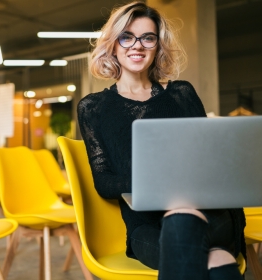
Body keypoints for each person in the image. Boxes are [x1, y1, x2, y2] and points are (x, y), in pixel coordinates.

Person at [77, 1, 246, 280]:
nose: (137, 45)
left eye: (148, 37)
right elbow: (104, 182)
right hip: (146, 227)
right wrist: (161, 182)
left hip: (208, 213)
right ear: (113, 44)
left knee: (189, 235)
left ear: (157, 46)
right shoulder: (93, 108)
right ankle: (221, 259)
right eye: (127, 36)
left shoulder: (181, 94)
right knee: (215, 260)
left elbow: (210, 158)